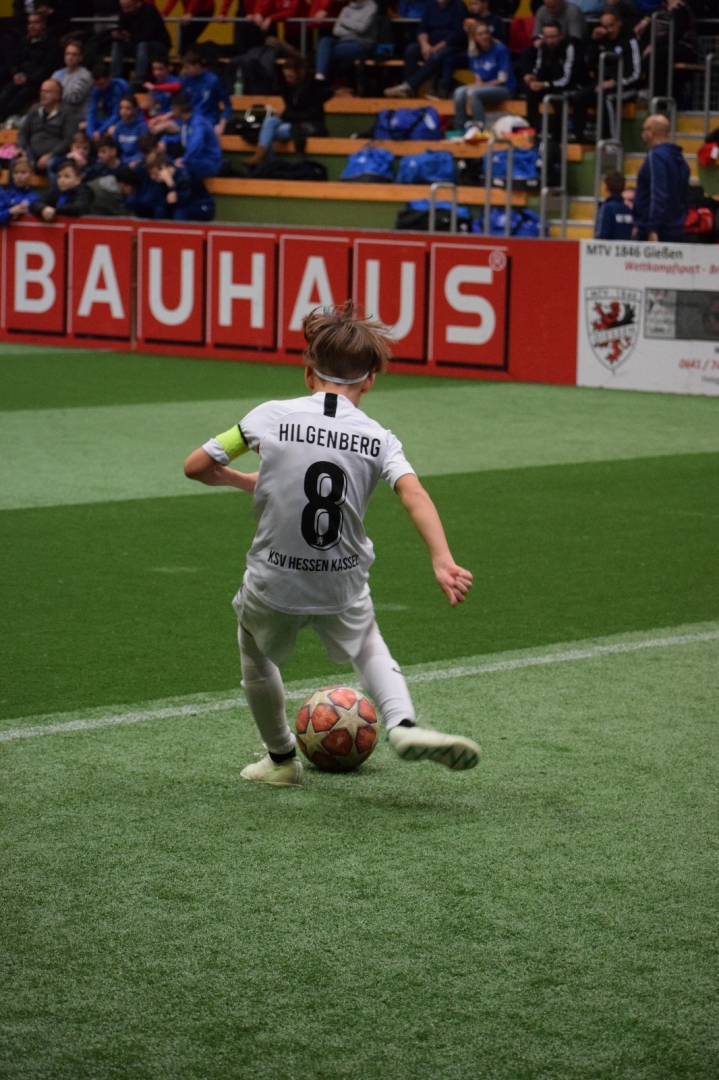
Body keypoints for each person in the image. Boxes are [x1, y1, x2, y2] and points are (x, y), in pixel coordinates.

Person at [183, 302, 481, 788]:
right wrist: (442, 560)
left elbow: (196, 466)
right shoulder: (379, 438)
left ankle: (281, 760)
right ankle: (402, 723)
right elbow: (414, 494)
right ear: (370, 381)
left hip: (274, 579)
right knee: (366, 642)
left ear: (308, 373)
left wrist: (245, 480)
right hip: (340, 580)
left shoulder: (268, 417)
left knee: (254, 650)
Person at [573, 9, 642, 143]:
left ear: (619, 23)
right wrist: (593, 42)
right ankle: (580, 138)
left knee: (607, 97)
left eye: (611, 25)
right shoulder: (601, 40)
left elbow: (636, 73)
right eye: (605, 27)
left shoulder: (630, 40)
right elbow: (588, 63)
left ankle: (611, 140)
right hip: (601, 83)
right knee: (579, 97)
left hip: (626, 86)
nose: (609, 30)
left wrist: (615, 82)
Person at [248, 57, 331, 166]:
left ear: (298, 73)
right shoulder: (289, 89)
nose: (288, 79)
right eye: (286, 76)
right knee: (269, 121)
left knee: (273, 132)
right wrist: (283, 114)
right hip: (293, 120)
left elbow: (311, 115)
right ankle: (259, 156)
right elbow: (290, 111)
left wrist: (285, 114)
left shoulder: (312, 89)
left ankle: (269, 163)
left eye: (290, 76)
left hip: (309, 124)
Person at [385, 0, 468, 99]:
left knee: (436, 56)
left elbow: (458, 34)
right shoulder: (430, 5)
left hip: (452, 45)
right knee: (411, 50)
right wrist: (424, 44)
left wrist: (437, 47)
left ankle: (408, 86)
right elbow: (422, 29)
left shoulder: (459, 6)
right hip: (431, 43)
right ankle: (410, 92)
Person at [146, 48, 232, 135]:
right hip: (187, 119)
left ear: (197, 66)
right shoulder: (186, 79)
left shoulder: (213, 81)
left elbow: (227, 105)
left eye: (187, 68)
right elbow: (183, 105)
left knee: (164, 127)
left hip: (206, 119)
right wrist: (165, 117)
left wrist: (222, 125)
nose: (185, 71)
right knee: (154, 126)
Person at [632, 113, 689, 242]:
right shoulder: (680, 159)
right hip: (677, 227)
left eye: (643, 129)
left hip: (657, 230)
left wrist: (652, 228)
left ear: (651, 132)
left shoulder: (656, 156)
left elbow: (658, 193)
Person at [452, 21, 515, 131]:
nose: (484, 36)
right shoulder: (473, 52)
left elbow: (502, 80)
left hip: (504, 88)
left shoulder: (500, 49)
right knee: (459, 92)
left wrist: (480, 86)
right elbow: (478, 78)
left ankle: (480, 129)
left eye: (486, 33)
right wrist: (478, 85)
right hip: (484, 87)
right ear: (474, 37)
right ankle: (459, 130)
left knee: (473, 93)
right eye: (480, 34)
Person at [522, 20, 580, 139]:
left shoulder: (569, 47)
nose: (550, 40)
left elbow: (566, 78)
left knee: (558, 98)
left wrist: (545, 84)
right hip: (550, 84)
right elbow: (539, 68)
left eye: (553, 37)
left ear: (561, 35)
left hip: (571, 85)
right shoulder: (543, 47)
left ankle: (558, 139)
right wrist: (533, 78)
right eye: (547, 37)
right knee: (531, 92)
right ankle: (533, 132)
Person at [0, 12, 60, 123]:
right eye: (30, 23)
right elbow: (14, 62)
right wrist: (15, 74)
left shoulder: (51, 45)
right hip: (19, 79)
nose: (32, 26)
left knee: (19, 97)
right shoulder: (23, 42)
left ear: (43, 25)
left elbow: (46, 68)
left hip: (35, 83)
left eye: (35, 23)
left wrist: (28, 79)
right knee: (5, 94)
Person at [16, 78, 75, 174]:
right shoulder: (34, 110)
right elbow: (24, 132)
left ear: (58, 95)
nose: (43, 95)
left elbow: (68, 139)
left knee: (52, 164)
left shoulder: (67, 113)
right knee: (17, 161)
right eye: (42, 91)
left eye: (47, 92)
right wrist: (20, 148)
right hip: (31, 153)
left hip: (56, 155)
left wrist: (51, 155)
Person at [314, 0, 379, 84]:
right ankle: (320, 75)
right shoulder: (346, 9)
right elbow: (336, 31)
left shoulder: (372, 7)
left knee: (324, 53)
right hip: (343, 41)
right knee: (325, 40)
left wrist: (343, 21)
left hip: (361, 43)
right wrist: (352, 28)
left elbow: (362, 28)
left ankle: (320, 77)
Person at [111, 0, 172, 87]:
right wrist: (118, 34)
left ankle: (137, 82)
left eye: (128, 7)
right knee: (117, 44)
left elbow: (148, 35)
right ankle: (115, 78)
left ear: (138, 3)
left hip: (157, 45)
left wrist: (130, 36)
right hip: (136, 44)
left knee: (142, 45)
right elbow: (121, 27)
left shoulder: (150, 11)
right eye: (123, 7)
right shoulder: (124, 13)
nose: (125, 10)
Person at [161, 91, 222, 178]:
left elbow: (197, 143)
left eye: (173, 109)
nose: (172, 112)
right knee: (165, 164)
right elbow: (181, 138)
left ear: (178, 109)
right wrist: (164, 139)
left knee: (175, 169)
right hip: (195, 161)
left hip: (209, 162)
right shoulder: (186, 123)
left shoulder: (198, 123)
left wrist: (184, 159)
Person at [147, 149, 215, 220]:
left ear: (164, 168)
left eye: (154, 173)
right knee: (160, 211)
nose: (152, 177)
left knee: (180, 213)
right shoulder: (159, 181)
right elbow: (160, 200)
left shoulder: (184, 175)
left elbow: (184, 199)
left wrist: (170, 183)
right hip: (182, 206)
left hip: (201, 205)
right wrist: (166, 201)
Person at [51, 37, 93, 123]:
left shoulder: (85, 76)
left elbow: (74, 98)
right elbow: (48, 89)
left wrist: (54, 93)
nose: (70, 57)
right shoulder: (58, 73)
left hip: (76, 115)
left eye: (74, 55)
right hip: (57, 112)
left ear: (81, 57)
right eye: (67, 54)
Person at [86, 61, 130, 140]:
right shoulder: (96, 90)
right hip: (107, 116)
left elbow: (117, 114)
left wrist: (100, 131)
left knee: (111, 130)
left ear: (109, 78)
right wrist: (90, 133)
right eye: (96, 84)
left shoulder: (120, 87)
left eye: (101, 84)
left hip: (122, 118)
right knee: (85, 125)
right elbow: (92, 111)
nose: (99, 87)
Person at [109, 93, 148, 165]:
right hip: (122, 161)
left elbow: (145, 150)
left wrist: (135, 161)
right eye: (121, 108)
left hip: (137, 161)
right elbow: (113, 146)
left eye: (128, 108)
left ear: (135, 110)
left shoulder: (142, 127)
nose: (123, 111)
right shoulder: (119, 126)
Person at [594, 169, 634, 238]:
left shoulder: (606, 208)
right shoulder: (628, 209)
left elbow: (601, 234)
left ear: (606, 187)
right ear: (624, 188)